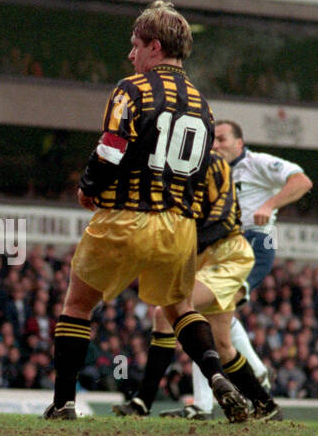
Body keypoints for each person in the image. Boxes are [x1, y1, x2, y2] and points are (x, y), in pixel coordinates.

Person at [44, 0, 248, 422]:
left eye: (135, 45)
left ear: (154, 47)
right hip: (178, 227)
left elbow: (111, 148)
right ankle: (217, 379)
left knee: (78, 304)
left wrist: (87, 188)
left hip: (125, 217)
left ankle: (63, 402)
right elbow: (196, 171)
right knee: (179, 309)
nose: (131, 54)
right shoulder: (202, 103)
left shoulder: (132, 87)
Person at [113, 148, 280, 420]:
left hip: (225, 254)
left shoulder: (213, 164)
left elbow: (223, 221)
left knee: (168, 309)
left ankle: (143, 401)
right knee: (223, 345)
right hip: (202, 258)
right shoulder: (166, 169)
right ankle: (266, 405)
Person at [184, 119, 312, 418]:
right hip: (220, 248)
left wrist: (269, 205)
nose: (216, 145)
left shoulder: (259, 163)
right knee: (210, 320)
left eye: (223, 139)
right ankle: (253, 380)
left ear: (239, 144)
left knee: (193, 312)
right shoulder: (210, 170)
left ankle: (206, 403)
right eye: (212, 140)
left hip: (254, 245)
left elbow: (302, 182)